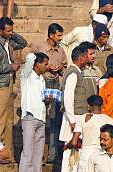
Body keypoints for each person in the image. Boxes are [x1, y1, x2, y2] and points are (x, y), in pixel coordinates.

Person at [0, 17, 28, 160]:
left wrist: (11, 34)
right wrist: (11, 67)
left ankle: (6, 154)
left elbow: (23, 43)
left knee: (9, 121)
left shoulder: (8, 41)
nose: (11, 33)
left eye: (11, 30)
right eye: (8, 30)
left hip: (9, 83)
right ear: (0, 30)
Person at [59, 44, 98, 172]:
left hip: (77, 119)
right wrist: (72, 120)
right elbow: (68, 98)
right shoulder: (73, 73)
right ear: (80, 58)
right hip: (72, 120)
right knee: (69, 152)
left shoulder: (78, 72)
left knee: (77, 153)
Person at [32, 23, 68, 164]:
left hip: (55, 84)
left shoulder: (61, 50)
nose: (61, 38)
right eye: (59, 35)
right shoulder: (39, 48)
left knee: (54, 119)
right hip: (42, 83)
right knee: (40, 117)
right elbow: (32, 66)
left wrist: (59, 68)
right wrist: (47, 69)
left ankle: (52, 155)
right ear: (51, 35)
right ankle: (38, 155)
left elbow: (64, 68)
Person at [15, 52, 50, 172]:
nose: (47, 67)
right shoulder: (27, 75)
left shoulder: (42, 79)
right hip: (29, 118)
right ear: (37, 64)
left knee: (38, 155)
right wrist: (34, 55)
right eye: (45, 64)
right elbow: (29, 57)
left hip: (41, 118)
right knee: (27, 153)